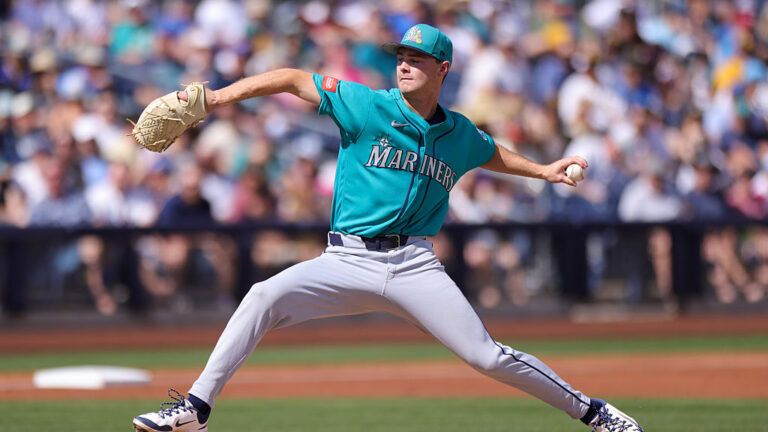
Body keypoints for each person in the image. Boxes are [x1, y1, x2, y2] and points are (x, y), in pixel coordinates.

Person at [132, 24, 643, 432]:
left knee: (485, 357)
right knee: (263, 295)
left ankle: (595, 413)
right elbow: (291, 78)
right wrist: (216, 99)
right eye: (401, 55)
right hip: (346, 259)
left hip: (414, 265)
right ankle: (196, 408)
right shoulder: (367, 104)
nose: (404, 63)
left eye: (417, 58)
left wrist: (544, 170)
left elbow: (492, 152)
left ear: (442, 69)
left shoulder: (458, 132)